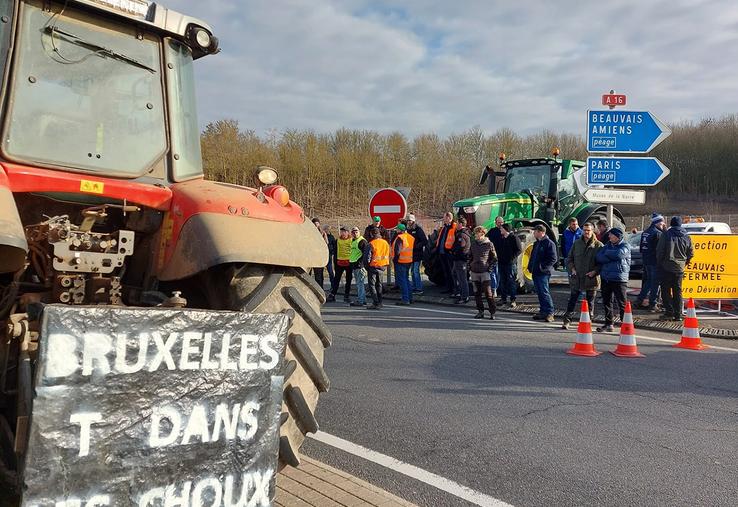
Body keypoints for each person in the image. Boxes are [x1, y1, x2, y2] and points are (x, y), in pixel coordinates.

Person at [561, 222, 603, 329]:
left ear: (592, 231)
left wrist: (595, 272)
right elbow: (569, 259)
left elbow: (602, 263)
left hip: (591, 278)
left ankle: (588, 322)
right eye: (584, 230)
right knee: (572, 300)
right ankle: (567, 320)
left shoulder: (598, 245)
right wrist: (572, 269)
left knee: (590, 302)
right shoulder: (577, 244)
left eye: (588, 230)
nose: (586, 232)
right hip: (577, 277)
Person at [656, 216, 694, 321]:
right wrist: (684, 263)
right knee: (678, 291)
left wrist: (660, 263)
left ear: (671, 224)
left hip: (666, 267)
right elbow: (691, 253)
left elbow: (660, 251)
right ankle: (678, 314)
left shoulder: (666, 235)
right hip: (680, 268)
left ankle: (669, 311)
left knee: (665, 291)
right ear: (681, 224)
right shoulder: (687, 236)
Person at [595, 228, 631, 332]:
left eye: (611, 235)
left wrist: (607, 254)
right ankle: (608, 323)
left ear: (617, 236)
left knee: (622, 302)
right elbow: (598, 257)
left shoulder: (626, 246)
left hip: (619, 278)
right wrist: (610, 255)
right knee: (607, 301)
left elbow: (619, 254)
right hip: (606, 277)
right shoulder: (607, 246)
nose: (609, 237)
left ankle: (626, 324)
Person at [636, 214, 666, 311]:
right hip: (655, 261)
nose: (663, 226)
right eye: (662, 224)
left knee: (648, 281)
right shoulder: (658, 233)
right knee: (655, 283)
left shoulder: (645, 232)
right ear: (657, 223)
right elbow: (660, 249)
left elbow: (641, 248)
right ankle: (653, 303)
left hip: (646, 260)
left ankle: (639, 300)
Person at [528, 225, 557, 322]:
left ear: (540, 232)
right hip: (535, 271)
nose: (534, 233)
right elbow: (533, 256)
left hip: (543, 273)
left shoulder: (549, 243)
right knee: (540, 292)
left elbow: (553, 258)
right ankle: (543, 311)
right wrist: (530, 266)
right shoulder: (537, 243)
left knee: (544, 292)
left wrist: (542, 267)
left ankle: (549, 312)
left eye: (535, 231)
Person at [469, 226, 497, 319]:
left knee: (488, 293)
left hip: (485, 272)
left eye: (477, 233)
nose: (475, 235)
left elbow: (494, 258)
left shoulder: (489, 244)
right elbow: (470, 256)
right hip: (474, 272)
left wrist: (489, 269)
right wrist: (470, 266)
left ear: (482, 234)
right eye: (475, 233)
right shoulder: (473, 244)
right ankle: (480, 311)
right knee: (477, 293)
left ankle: (492, 312)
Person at [497, 224, 522, 308]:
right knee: (502, 281)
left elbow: (519, 250)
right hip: (501, 263)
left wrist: (512, 258)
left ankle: (513, 299)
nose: (500, 230)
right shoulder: (502, 238)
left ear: (505, 229)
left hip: (510, 264)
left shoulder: (514, 238)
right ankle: (503, 298)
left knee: (511, 281)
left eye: (502, 228)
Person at [364, 227, 390, 309]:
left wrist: (367, 267)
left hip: (373, 266)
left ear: (372, 234)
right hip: (382, 266)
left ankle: (375, 302)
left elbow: (366, 258)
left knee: (372, 285)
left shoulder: (371, 244)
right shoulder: (385, 243)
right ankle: (380, 302)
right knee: (379, 285)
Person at [327, 227, 353, 303]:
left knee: (348, 280)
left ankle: (347, 295)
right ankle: (333, 294)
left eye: (344, 232)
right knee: (336, 279)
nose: (343, 233)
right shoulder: (337, 240)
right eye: (342, 232)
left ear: (348, 232)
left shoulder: (351, 240)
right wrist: (335, 263)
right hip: (339, 263)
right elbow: (335, 252)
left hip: (349, 263)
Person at [392, 223, 415, 305]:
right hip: (408, 260)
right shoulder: (410, 237)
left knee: (403, 281)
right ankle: (410, 298)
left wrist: (395, 260)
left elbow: (397, 251)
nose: (396, 230)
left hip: (401, 261)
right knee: (406, 279)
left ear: (399, 230)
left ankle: (405, 299)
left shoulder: (400, 238)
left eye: (397, 229)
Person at [435, 212, 457, 294]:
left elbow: (456, 240)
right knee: (446, 272)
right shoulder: (444, 227)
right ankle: (449, 288)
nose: (443, 219)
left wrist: (452, 251)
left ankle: (454, 289)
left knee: (452, 272)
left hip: (449, 253)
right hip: (442, 253)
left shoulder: (454, 227)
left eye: (444, 217)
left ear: (449, 218)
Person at [451, 217, 472, 303]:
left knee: (462, 278)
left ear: (460, 224)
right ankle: (459, 292)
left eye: (457, 223)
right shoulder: (461, 233)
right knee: (455, 274)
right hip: (458, 259)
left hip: (461, 259)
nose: (455, 224)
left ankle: (464, 297)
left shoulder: (462, 234)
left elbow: (461, 246)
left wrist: (454, 252)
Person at [406, 214, 428, 294]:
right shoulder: (407, 230)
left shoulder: (418, 230)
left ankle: (419, 288)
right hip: (410, 254)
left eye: (410, 220)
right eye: (408, 220)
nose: (409, 222)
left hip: (417, 254)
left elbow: (424, 241)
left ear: (413, 221)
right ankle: (415, 287)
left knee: (415, 271)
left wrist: (416, 246)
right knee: (412, 271)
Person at [349, 227, 369, 307]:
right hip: (355, 265)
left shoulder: (362, 241)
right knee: (359, 284)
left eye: (356, 232)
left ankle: (360, 300)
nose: (355, 233)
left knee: (360, 284)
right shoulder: (353, 241)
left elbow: (365, 254)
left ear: (359, 232)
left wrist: (361, 263)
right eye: (353, 232)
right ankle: (363, 299)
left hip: (360, 266)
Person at [486, 216, 505, 296]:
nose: (500, 224)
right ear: (495, 223)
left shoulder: (505, 231)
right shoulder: (492, 231)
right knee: (493, 272)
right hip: (493, 255)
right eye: (498, 222)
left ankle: (498, 288)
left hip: (502, 255)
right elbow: (486, 239)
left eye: (501, 222)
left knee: (498, 273)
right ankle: (494, 289)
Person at [311, 218, 328, 289]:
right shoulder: (309, 232)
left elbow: (326, 243)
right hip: (310, 256)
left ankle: (320, 290)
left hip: (319, 256)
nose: (315, 225)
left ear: (319, 224)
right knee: (307, 275)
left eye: (317, 223)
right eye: (314, 224)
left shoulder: (322, 233)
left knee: (319, 275)